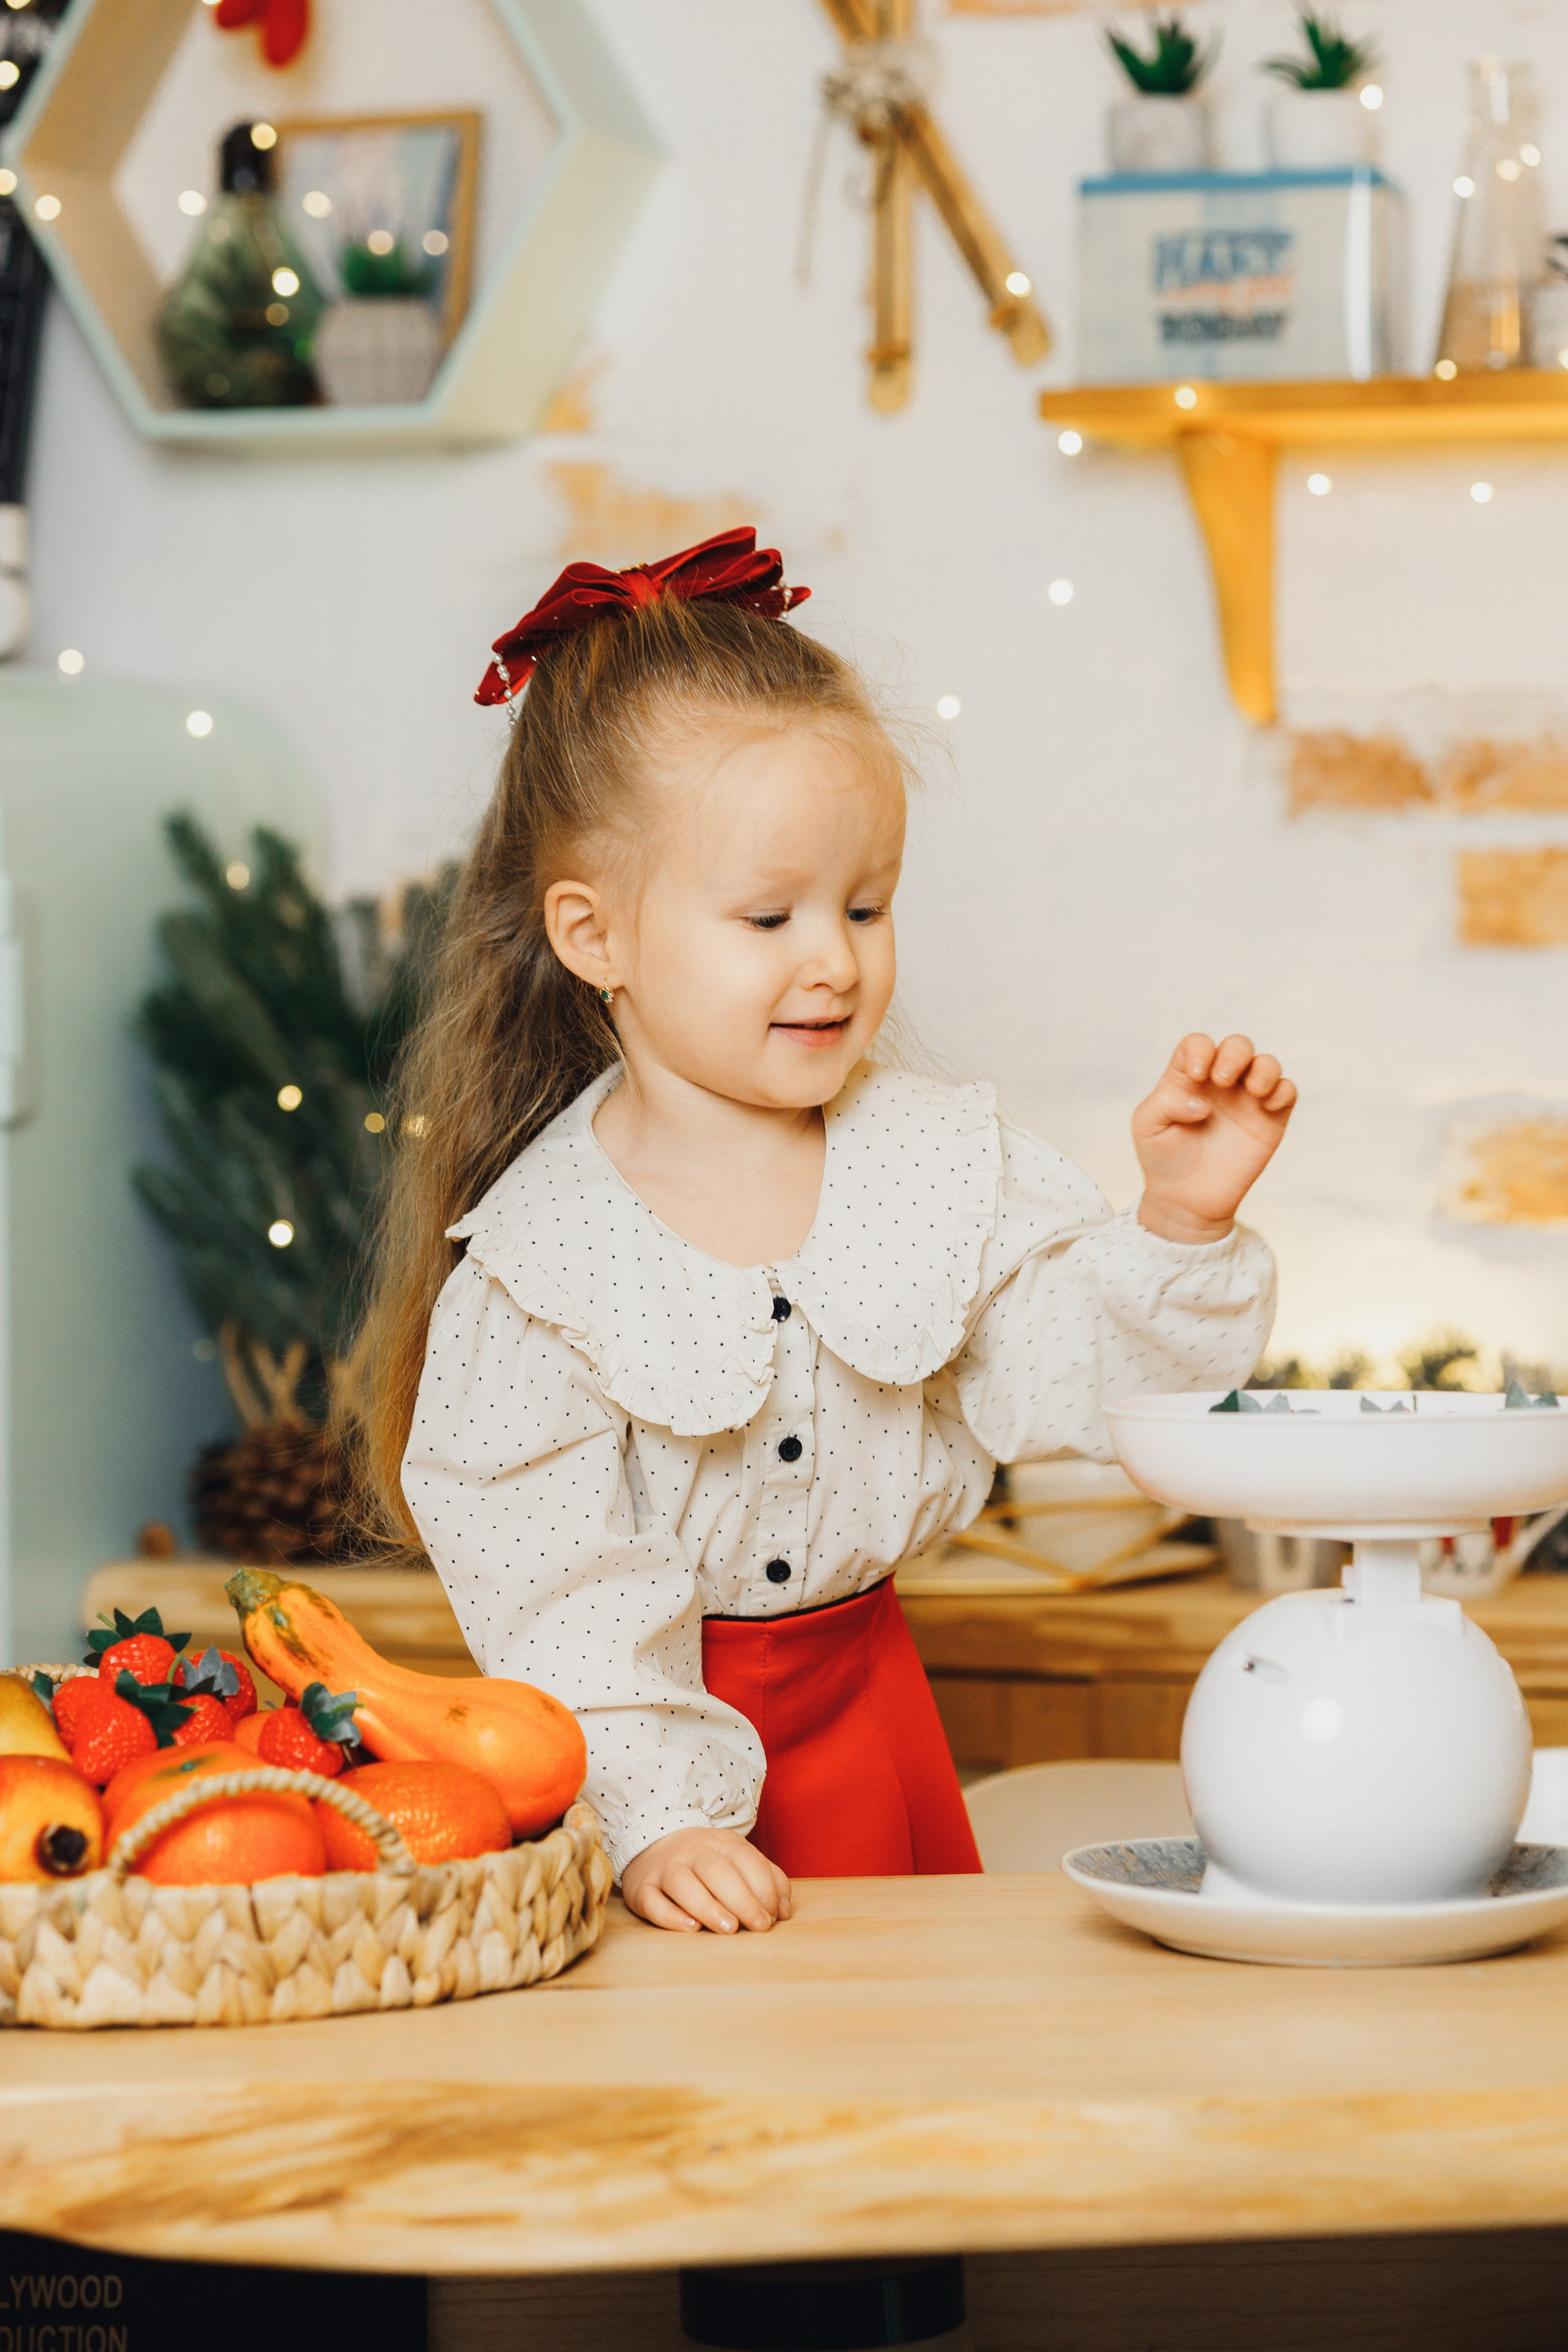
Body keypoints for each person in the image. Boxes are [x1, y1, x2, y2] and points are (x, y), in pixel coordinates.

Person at [356, 529, 1293, 1939]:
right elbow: (553, 1584)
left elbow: (1063, 1378)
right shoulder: (544, 1263)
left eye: (866, 905)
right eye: (767, 914)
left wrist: (1172, 1222)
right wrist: (656, 1818)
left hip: (878, 1722)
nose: (835, 959)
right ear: (593, 935)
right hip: (650, 1779)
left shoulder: (929, 1163)